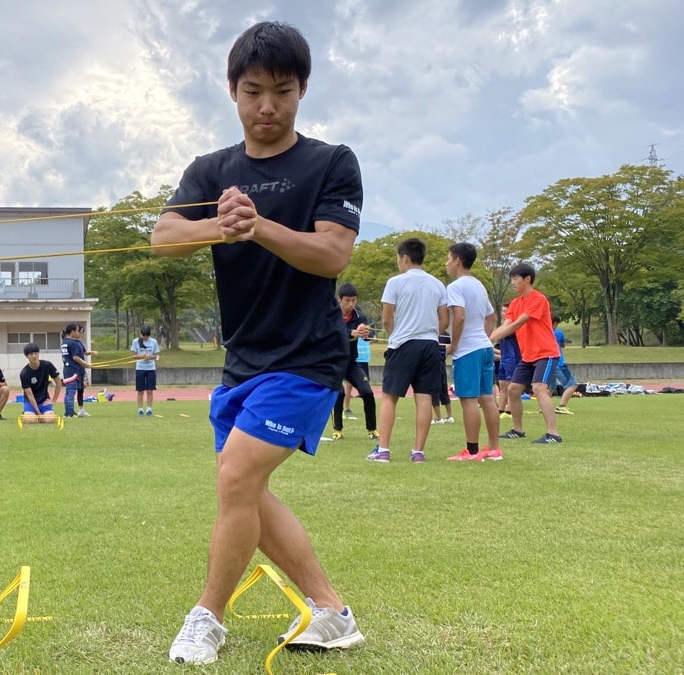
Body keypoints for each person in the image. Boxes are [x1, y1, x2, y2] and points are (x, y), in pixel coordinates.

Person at [152, 22, 365, 664]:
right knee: (244, 489)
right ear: (232, 92)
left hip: (307, 357)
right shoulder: (211, 170)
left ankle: (207, 618)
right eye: (253, 91)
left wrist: (259, 226)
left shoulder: (332, 162)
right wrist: (220, 224)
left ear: (302, 90)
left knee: (238, 476)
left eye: (282, 90)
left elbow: (332, 253)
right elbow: (163, 236)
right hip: (243, 357)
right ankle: (331, 612)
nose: (267, 106)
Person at [368, 237, 448, 463]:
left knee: (389, 398)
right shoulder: (436, 284)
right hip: (430, 345)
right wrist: (430, 330)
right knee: (424, 399)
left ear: (404, 258)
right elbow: (444, 319)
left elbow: (386, 318)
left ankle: (383, 450)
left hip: (402, 344)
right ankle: (418, 452)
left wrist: (396, 334)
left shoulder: (395, 282)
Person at [489, 263, 562, 444]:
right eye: (511, 279)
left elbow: (517, 325)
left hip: (546, 353)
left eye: (515, 278)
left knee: (538, 388)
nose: (512, 282)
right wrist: (487, 340)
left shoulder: (538, 299)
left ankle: (553, 434)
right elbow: (506, 325)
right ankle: (518, 430)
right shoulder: (515, 303)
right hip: (528, 355)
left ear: (527, 279)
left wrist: (487, 341)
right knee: (513, 390)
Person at [443, 243, 503, 461]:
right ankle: (494, 449)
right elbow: (492, 317)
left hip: (468, 350)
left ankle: (472, 451)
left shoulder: (455, 287)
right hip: (484, 348)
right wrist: (485, 339)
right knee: (487, 398)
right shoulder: (479, 285)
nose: (446, 263)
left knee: (468, 399)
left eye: (449, 258)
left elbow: (458, 316)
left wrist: (455, 344)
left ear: (458, 260)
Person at [330, 283, 377, 440]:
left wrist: (365, 332)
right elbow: (333, 333)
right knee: (340, 393)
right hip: (333, 363)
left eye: (354, 300)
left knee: (367, 392)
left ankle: (372, 429)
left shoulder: (359, 316)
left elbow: (367, 335)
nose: (351, 304)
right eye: (347, 300)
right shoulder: (332, 314)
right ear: (340, 299)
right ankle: (338, 430)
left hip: (351, 363)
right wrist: (351, 332)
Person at [18, 343, 62, 424]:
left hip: (44, 400)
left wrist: (54, 400)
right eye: (31, 354)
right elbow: (30, 395)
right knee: (30, 421)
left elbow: (58, 382)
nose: (34, 356)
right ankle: (28, 413)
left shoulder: (47, 365)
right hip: (30, 402)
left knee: (50, 420)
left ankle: (38, 414)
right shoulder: (24, 373)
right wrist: (39, 414)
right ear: (27, 356)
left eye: (36, 353)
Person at [60, 322, 94, 418]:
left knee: (69, 392)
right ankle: (69, 413)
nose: (79, 333)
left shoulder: (65, 342)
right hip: (73, 370)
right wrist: (86, 364)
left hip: (68, 370)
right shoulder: (73, 343)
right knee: (71, 392)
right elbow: (75, 357)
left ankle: (69, 412)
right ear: (72, 331)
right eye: (77, 331)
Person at [550, 314, 580, 414]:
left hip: (548, 363)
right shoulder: (558, 333)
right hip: (559, 363)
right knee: (572, 384)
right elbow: (562, 345)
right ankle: (561, 406)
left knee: (551, 387)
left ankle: (545, 407)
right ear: (555, 323)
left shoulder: (543, 333)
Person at [495, 307, 520, 418]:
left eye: (506, 311)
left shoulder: (513, 327)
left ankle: (510, 410)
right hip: (503, 359)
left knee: (511, 386)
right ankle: (501, 409)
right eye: (502, 311)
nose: (503, 313)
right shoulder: (503, 326)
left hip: (512, 359)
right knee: (502, 385)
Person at [130, 325, 160, 416]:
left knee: (150, 390)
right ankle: (140, 410)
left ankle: (149, 409)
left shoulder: (154, 342)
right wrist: (142, 356)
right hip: (140, 368)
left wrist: (150, 357)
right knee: (140, 390)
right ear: (141, 334)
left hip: (151, 368)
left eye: (147, 336)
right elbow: (133, 356)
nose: (145, 337)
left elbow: (156, 356)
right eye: (144, 335)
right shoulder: (136, 341)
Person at [431, 332, 454, 424]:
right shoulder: (442, 334)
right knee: (442, 389)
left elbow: (453, 346)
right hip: (440, 363)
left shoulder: (439, 334)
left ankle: (438, 418)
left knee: (436, 389)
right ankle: (449, 417)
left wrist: (445, 354)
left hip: (435, 363)